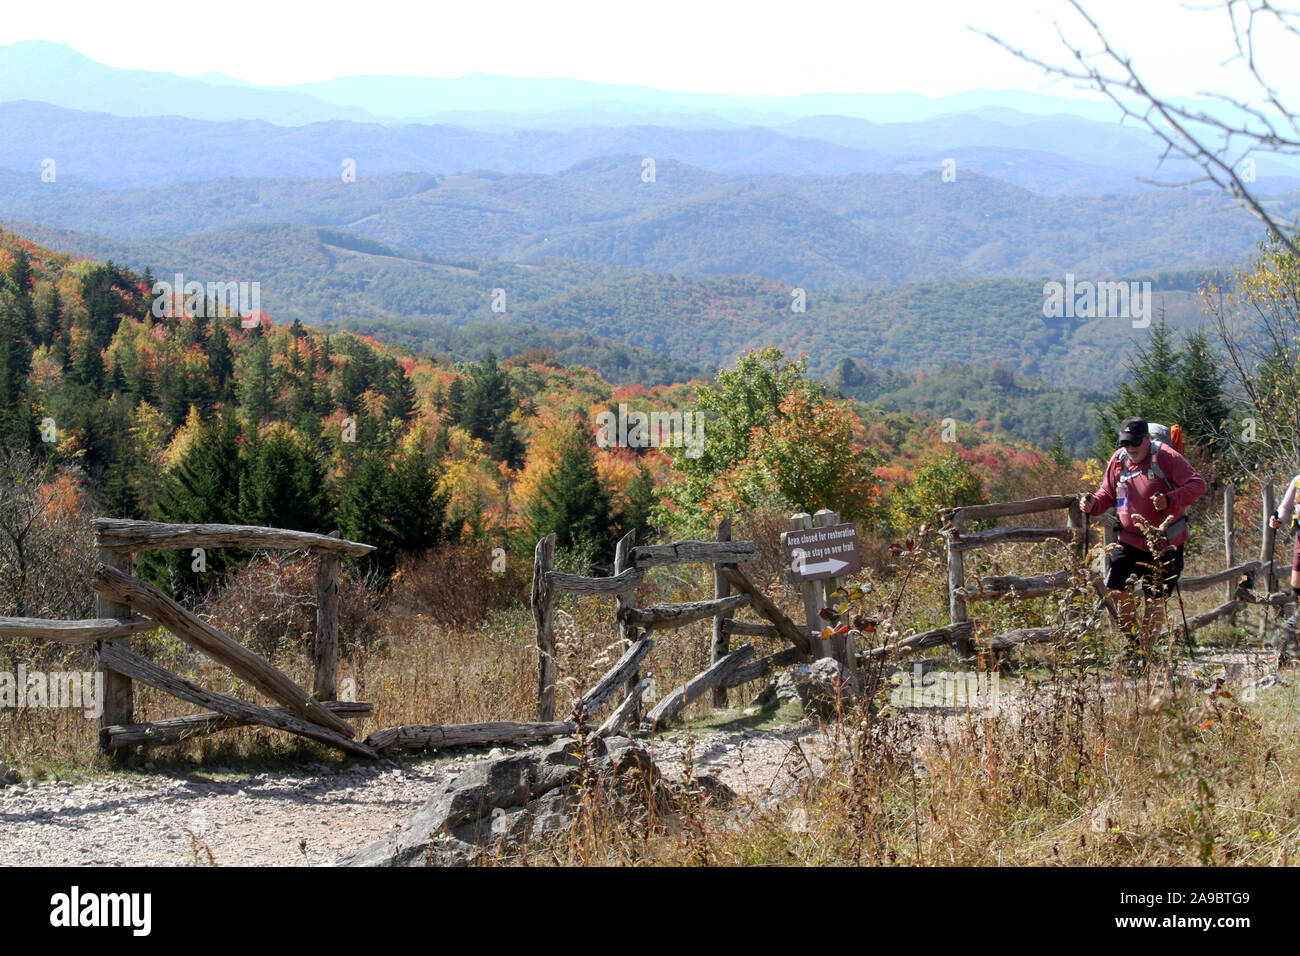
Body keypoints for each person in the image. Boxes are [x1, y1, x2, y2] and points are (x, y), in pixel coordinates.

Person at [1080, 417, 1207, 663]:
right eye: (1126, 443)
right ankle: (1135, 644)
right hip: (1128, 540)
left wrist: (1171, 499)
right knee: (1116, 590)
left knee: (1155, 599)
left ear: (1147, 439)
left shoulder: (1166, 457)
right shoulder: (1119, 460)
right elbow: (1107, 493)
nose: (1131, 448)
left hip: (1164, 542)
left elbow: (1197, 485)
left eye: (1136, 443)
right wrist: (1093, 503)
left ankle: (1144, 657)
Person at [1267, 473, 1300, 665]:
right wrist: (1278, 519)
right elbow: (1286, 508)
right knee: (1296, 593)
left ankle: (1284, 645)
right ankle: (1286, 647)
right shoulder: (1298, 481)